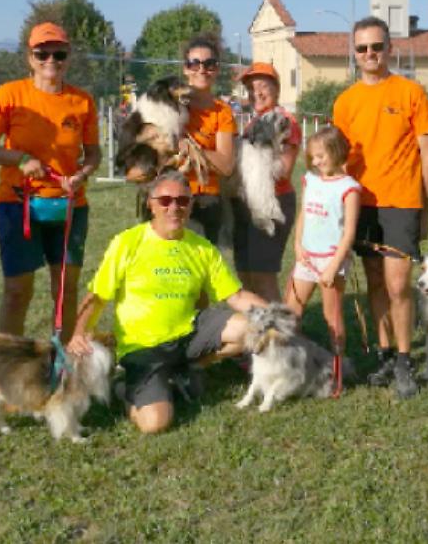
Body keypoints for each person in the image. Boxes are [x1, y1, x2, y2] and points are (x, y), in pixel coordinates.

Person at [66, 171, 266, 434]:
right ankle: (125, 389)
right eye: (165, 201)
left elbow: (237, 297)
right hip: (143, 346)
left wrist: (277, 315)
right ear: (151, 203)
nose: (174, 208)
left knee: (253, 328)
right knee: (155, 424)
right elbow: (98, 296)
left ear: (191, 205)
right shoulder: (127, 243)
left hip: (188, 332)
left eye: (182, 201)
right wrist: (79, 332)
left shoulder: (201, 247)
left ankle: (185, 367)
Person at [332, 16, 428, 399]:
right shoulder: (345, 102)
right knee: (375, 282)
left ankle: (406, 360)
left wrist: (424, 207)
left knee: (398, 285)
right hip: (362, 205)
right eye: (362, 48)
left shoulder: (410, 92)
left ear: (389, 49)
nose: (370, 54)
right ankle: (386, 353)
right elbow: (338, 159)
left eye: (377, 46)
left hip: (401, 202)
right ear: (354, 53)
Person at [0, 22, 101, 336]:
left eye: (58, 54)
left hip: (69, 206)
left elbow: (94, 153)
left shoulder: (82, 101)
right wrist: (20, 159)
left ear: (67, 57)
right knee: (18, 291)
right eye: (42, 54)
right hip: (19, 204)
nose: (51, 61)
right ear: (30, 58)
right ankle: (8, 365)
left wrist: (81, 175)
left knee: (65, 291)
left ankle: (61, 364)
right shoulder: (10, 94)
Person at [283, 127, 361, 383]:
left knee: (333, 316)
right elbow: (304, 213)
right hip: (307, 257)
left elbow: (348, 233)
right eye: (312, 158)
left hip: (331, 259)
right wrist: (297, 246)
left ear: (336, 152)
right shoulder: (310, 179)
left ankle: (338, 369)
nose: (315, 162)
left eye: (321, 156)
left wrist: (333, 266)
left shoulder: (349, 188)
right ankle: (289, 365)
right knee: (291, 310)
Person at [232, 62, 302, 301]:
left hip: (273, 202)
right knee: (245, 274)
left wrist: (250, 160)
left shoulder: (284, 121)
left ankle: (276, 333)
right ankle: (257, 330)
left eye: (263, 86)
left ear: (277, 89)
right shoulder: (254, 123)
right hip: (247, 204)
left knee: (262, 277)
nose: (257, 93)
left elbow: (283, 170)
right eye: (251, 88)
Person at [178, 34, 236, 245]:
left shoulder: (223, 112)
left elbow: (226, 165)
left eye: (209, 64)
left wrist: (190, 148)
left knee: (203, 272)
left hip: (208, 201)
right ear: (186, 68)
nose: (202, 69)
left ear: (217, 69)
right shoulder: (171, 104)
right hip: (172, 197)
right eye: (194, 64)